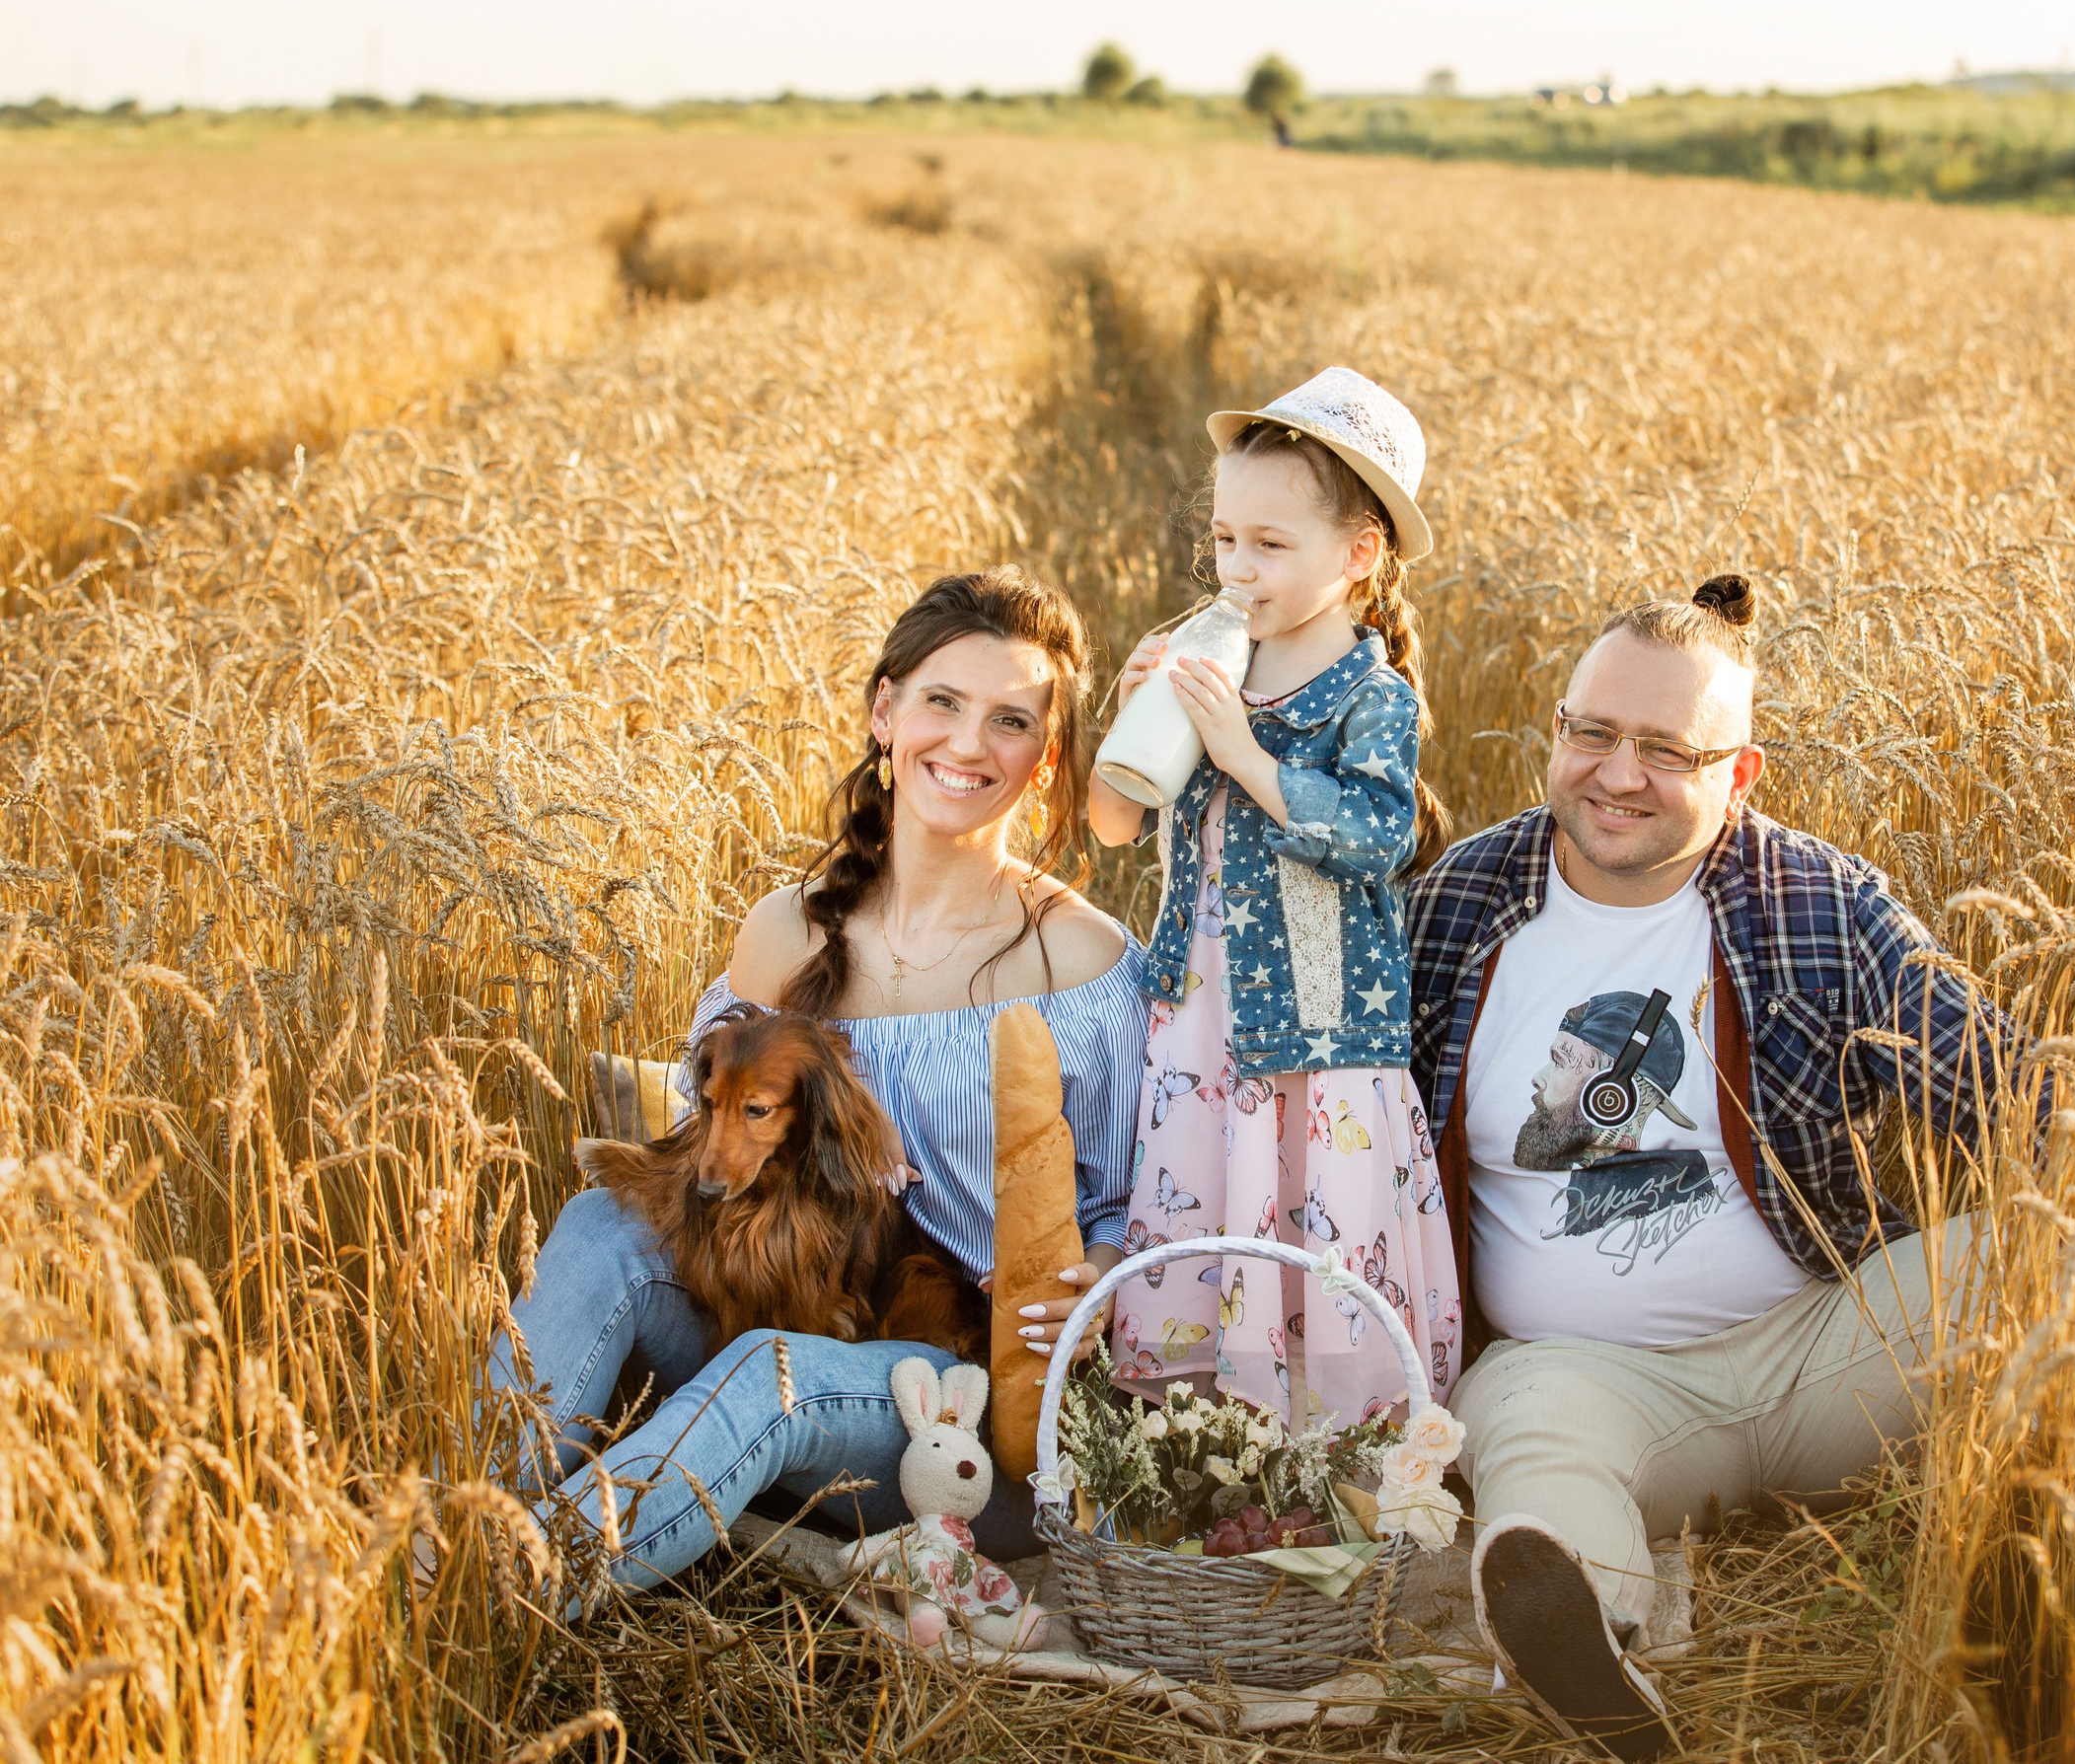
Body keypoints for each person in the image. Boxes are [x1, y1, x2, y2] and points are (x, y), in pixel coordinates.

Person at [1405, 577, 2057, 1758]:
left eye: (1665, 749)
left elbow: (2023, 1095)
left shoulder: (1814, 901)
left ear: (1737, 774)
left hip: (1830, 1355)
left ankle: (2047, 1596)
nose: (1616, 774)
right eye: (1593, 732)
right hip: (1586, 1378)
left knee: (2044, 1251)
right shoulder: (1459, 906)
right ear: (1555, 730)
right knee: (1528, 1443)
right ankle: (1589, 1645)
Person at [486, 567, 1146, 1600]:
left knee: (771, 1377)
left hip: (958, 1399)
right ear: (885, 711)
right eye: (942, 702)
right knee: (599, 1225)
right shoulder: (786, 933)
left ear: (1046, 756)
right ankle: (456, 1525)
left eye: (1009, 720)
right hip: (797, 1300)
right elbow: (712, 1131)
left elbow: (1138, 1198)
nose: (969, 744)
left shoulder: (1082, 961)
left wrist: (1091, 1289)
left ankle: (499, 1592)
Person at [1089, 366, 1462, 1427]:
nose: (1235, 568)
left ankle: (1327, 1440)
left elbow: (1377, 834)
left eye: (1269, 544)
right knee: (1208, 1194)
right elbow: (1115, 828)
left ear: (1359, 555)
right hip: (1201, 1011)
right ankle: (1203, 1436)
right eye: (1221, 540)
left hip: (1315, 1026)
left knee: (1309, 1216)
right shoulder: (1209, 661)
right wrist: (1131, 719)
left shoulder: (1370, 694)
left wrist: (1245, 754)